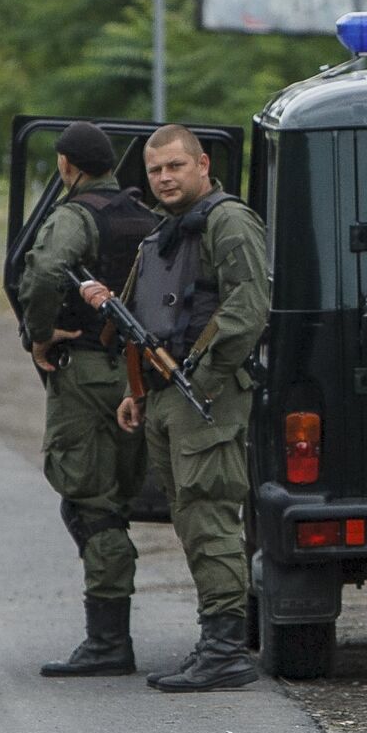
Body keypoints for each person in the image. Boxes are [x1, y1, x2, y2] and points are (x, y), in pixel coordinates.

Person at [80, 124, 269, 692]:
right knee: (189, 517)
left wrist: (201, 380)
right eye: (155, 170)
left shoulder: (228, 221)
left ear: (203, 165)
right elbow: (147, 318)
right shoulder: (165, 231)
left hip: (204, 395)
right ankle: (214, 643)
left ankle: (226, 651)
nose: (164, 178)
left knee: (209, 517)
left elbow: (247, 309)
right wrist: (137, 391)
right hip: (166, 395)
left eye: (175, 167)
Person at [18, 121, 159, 677]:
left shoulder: (75, 216)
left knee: (90, 504)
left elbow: (45, 271)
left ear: (67, 166)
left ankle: (108, 643)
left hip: (89, 372)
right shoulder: (147, 217)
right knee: (118, 497)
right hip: (140, 375)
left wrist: (40, 334)